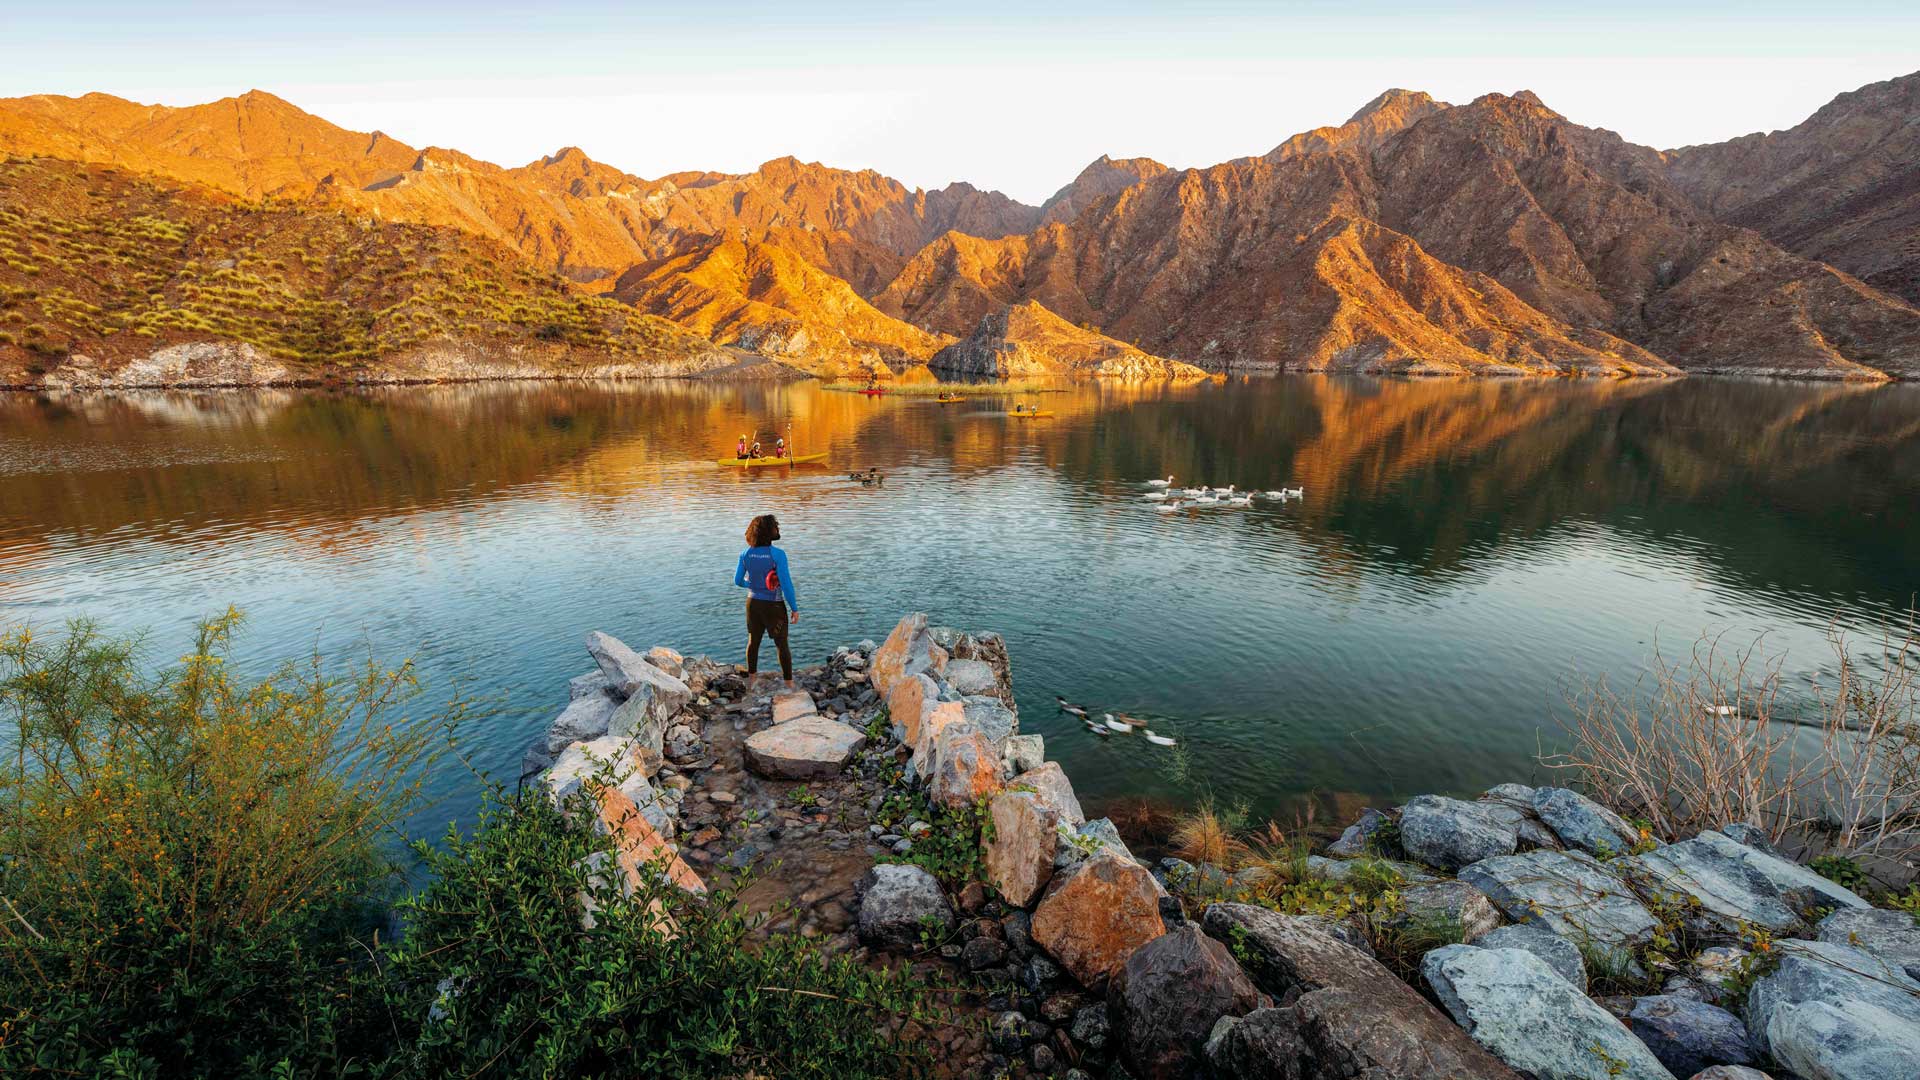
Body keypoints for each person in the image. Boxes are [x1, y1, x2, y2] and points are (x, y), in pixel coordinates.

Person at [734, 514, 800, 687]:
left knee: (753, 641)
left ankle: (752, 678)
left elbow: (738, 581)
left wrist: (754, 584)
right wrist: (794, 608)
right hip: (774, 606)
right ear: (770, 532)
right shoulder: (778, 554)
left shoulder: (745, 553)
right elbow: (786, 584)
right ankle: (789, 684)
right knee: (781, 644)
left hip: (752, 604)